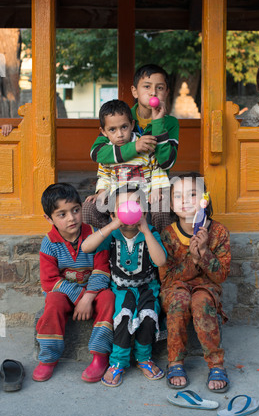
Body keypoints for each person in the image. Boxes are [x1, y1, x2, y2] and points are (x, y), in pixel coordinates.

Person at [81, 185, 167, 387]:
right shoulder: (111, 235)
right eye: (123, 207)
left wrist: (145, 229)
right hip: (120, 289)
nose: (130, 209)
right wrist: (112, 226)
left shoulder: (150, 233)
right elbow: (86, 247)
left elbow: (160, 261)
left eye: (136, 205)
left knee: (148, 317)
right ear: (112, 214)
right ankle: (118, 361)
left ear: (144, 212)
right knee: (123, 319)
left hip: (148, 288)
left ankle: (144, 358)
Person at [33, 183, 115, 383]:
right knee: (52, 301)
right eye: (62, 214)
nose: (71, 218)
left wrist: (88, 297)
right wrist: (78, 297)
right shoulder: (49, 243)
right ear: (49, 218)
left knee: (109, 297)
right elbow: (49, 281)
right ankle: (48, 359)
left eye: (75, 210)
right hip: (65, 296)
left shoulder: (96, 235)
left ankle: (100, 356)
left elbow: (103, 269)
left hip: (93, 294)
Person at [83, 64, 180, 232]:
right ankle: (111, 243)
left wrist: (158, 122)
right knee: (89, 208)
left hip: (151, 188)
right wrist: (135, 147)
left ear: (167, 92)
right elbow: (98, 153)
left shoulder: (170, 123)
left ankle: (158, 252)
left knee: (162, 207)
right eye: (147, 86)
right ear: (135, 91)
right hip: (116, 189)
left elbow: (165, 163)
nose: (153, 93)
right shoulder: (121, 117)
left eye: (160, 88)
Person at [159, 173, 231, 393]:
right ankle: (175, 361)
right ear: (171, 203)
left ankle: (216, 364)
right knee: (180, 300)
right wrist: (193, 257)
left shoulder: (217, 232)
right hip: (176, 287)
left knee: (200, 300)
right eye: (178, 196)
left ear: (204, 199)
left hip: (207, 287)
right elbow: (167, 278)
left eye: (192, 194)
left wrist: (204, 255)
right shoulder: (168, 235)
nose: (185, 200)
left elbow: (220, 277)